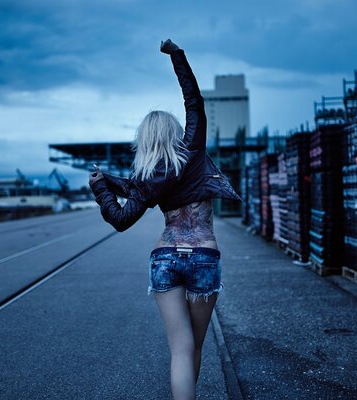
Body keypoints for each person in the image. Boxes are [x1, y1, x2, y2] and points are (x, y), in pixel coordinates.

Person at [89, 39, 241, 400]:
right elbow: (194, 102)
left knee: (180, 349)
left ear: (145, 141)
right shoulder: (192, 149)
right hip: (204, 254)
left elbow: (120, 218)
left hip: (166, 258)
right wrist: (176, 55)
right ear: (174, 133)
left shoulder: (147, 181)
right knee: (194, 347)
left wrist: (101, 187)